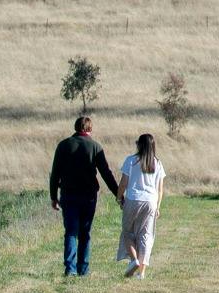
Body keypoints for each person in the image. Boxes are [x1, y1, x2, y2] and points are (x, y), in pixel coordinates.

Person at [50, 114, 119, 276]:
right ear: (90, 129)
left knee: (71, 231)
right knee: (85, 232)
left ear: (76, 128)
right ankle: (83, 268)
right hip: (88, 197)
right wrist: (118, 194)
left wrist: (54, 196)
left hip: (68, 195)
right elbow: (106, 174)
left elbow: (55, 174)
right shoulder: (95, 146)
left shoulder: (63, 145)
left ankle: (70, 268)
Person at [116, 132, 166, 279]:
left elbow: (123, 183)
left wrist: (119, 198)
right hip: (151, 201)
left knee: (127, 232)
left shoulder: (131, 161)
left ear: (139, 145)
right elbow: (160, 189)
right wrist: (158, 206)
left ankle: (134, 260)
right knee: (145, 235)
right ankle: (141, 272)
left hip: (133, 199)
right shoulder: (157, 163)